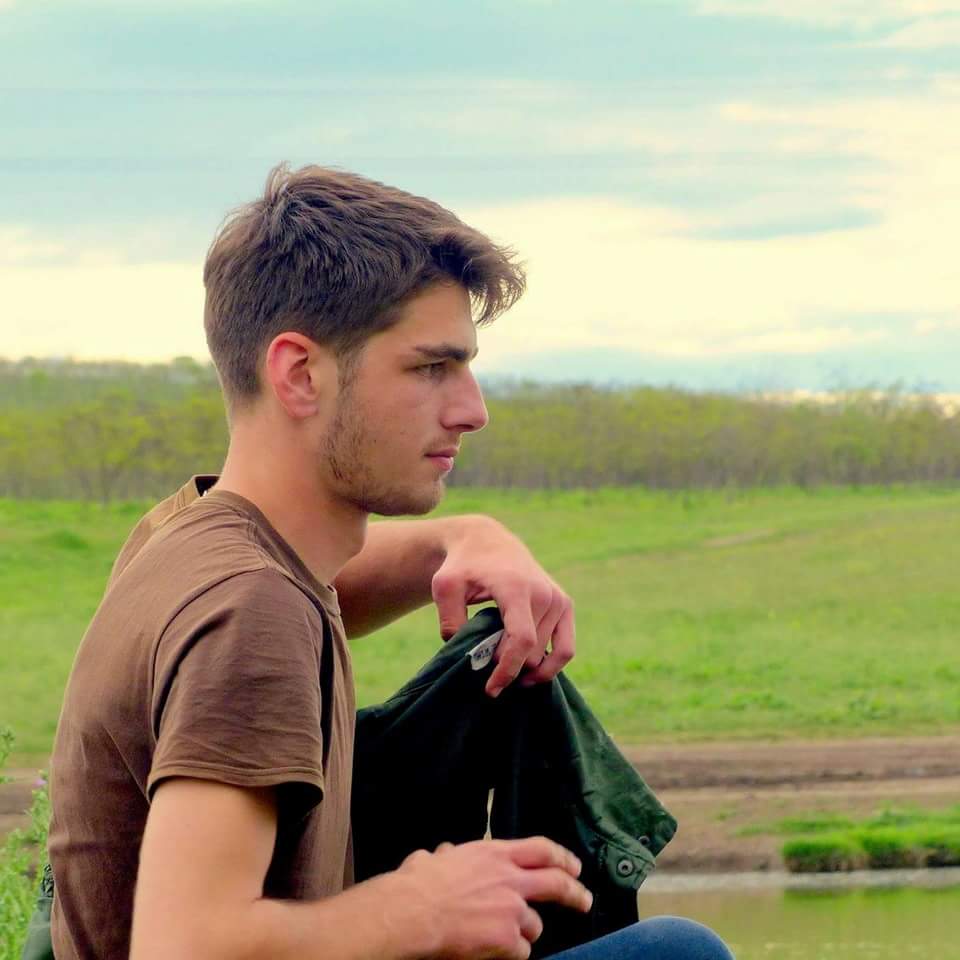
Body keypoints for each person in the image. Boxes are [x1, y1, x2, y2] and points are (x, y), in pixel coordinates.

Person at [46, 164, 733, 959]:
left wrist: (460, 538)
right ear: (300, 374)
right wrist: (414, 910)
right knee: (679, 953)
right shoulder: (254, 614)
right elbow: (182, 947)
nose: (472, 409)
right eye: (431, 367)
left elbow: (324, 587)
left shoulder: (187, 542)